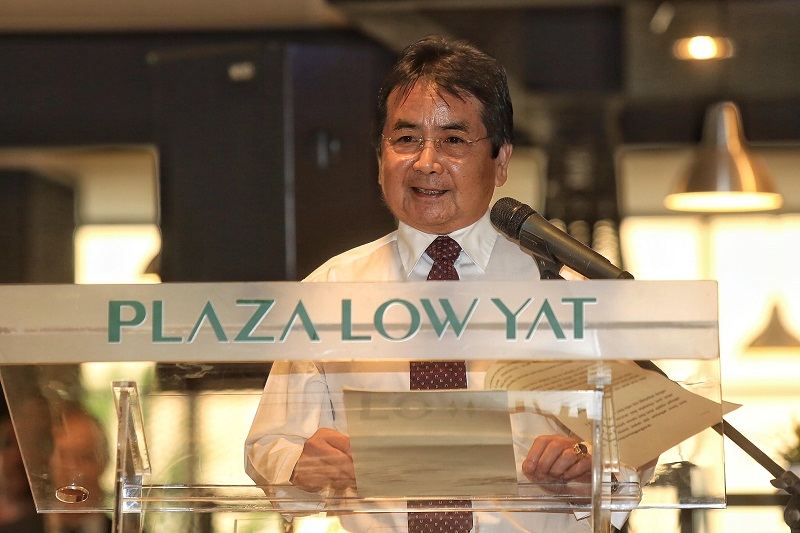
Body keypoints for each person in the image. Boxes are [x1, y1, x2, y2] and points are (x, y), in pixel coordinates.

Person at [245, 35, 643, 532]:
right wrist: (300, 464)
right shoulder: (330, 290)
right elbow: (270, 445)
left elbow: (633, 438)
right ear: (380, 157)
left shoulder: (553, 285)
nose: (427, 161)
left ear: (500, 161)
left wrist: (587, 462)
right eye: (406, 138)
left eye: (453, 140)